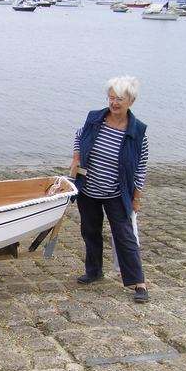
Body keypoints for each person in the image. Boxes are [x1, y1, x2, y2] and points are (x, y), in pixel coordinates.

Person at [70, 76, 150, 303]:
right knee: (90, 230)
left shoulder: (137, 131)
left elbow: (141, 166)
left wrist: (137, 197)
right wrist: (77, 157)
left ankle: (139, 283)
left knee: (125, 235)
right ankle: (94, 271)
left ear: (130, 101)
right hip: (89, 188)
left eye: (120, 99)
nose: (114, 103)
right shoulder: (95, 118)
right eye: (112, 97)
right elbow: (79, 135)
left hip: (117, 191)